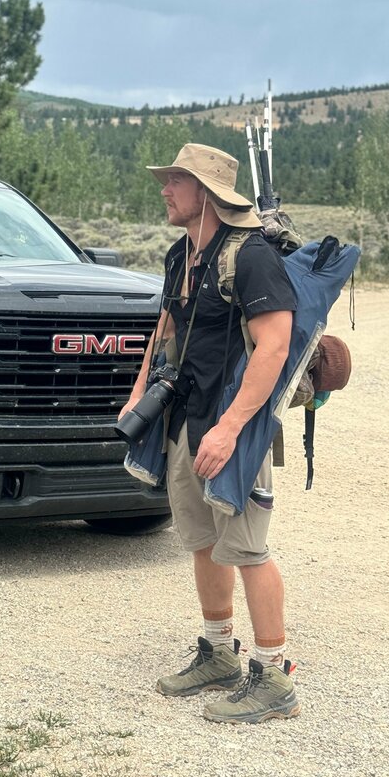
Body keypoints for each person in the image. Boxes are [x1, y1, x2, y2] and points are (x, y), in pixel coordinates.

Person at [120, 143, 301, 724]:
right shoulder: (182, 254)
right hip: (186, 421)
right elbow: (165, 328)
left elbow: (274, 346)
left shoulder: (251, 257)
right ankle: (220, 653)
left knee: (247, 548)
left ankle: (273, 676)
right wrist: (139, 391)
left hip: (234, 427)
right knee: (201, 540)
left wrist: (229, 429)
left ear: (206, 193)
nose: (165, 190)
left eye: (176, 181)